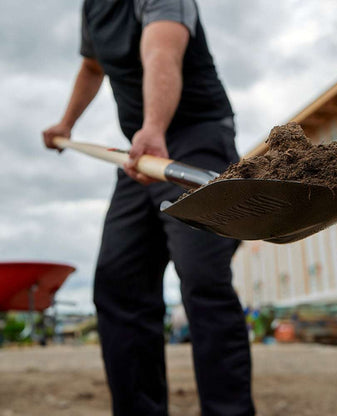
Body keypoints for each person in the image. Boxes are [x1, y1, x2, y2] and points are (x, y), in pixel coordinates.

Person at [43, 1, 255, 415]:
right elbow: (92, 67)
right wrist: (66, 124)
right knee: (119, 281)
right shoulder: (93, 7)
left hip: (195, 138)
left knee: (202, 277)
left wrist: (155, 127)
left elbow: (162, 51)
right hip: (141, 151)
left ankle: (229, 410)